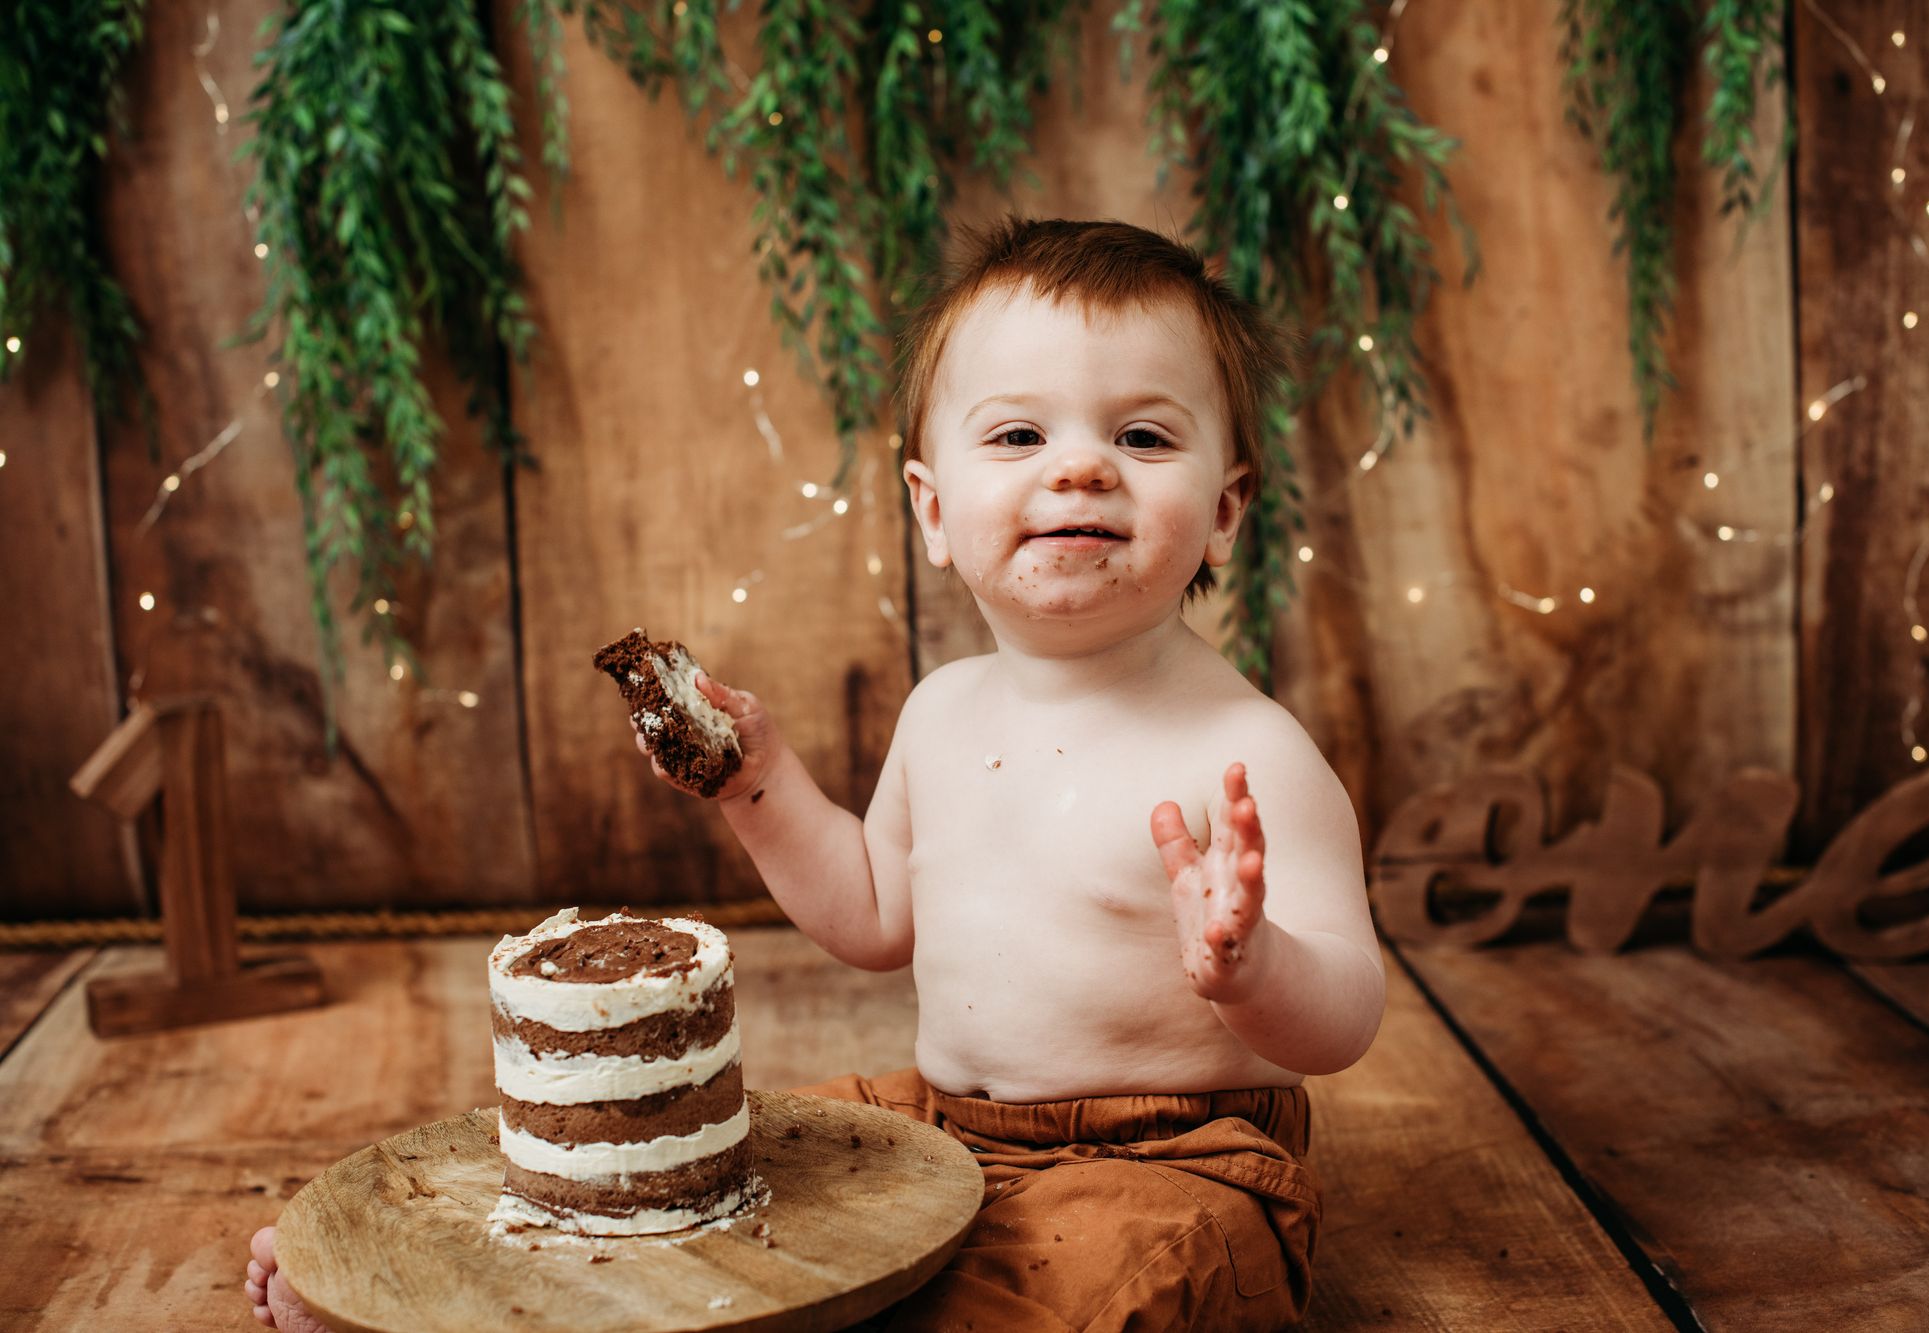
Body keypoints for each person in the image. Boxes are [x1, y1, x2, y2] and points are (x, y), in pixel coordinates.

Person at [247, 215, 1384, 1331]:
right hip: (942, 1121)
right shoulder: (941, 713)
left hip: (1170, 1153)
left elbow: (1344, 1018)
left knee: (1104, 1279)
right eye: (1016, 438)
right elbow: (874, 915)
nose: (1081, 466)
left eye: (1141, 438)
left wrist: (1252, 964)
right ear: (933, 511)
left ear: (1224, 509)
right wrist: (759, 785)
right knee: (728, 1171)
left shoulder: (1246, 753)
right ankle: (429, 1286)